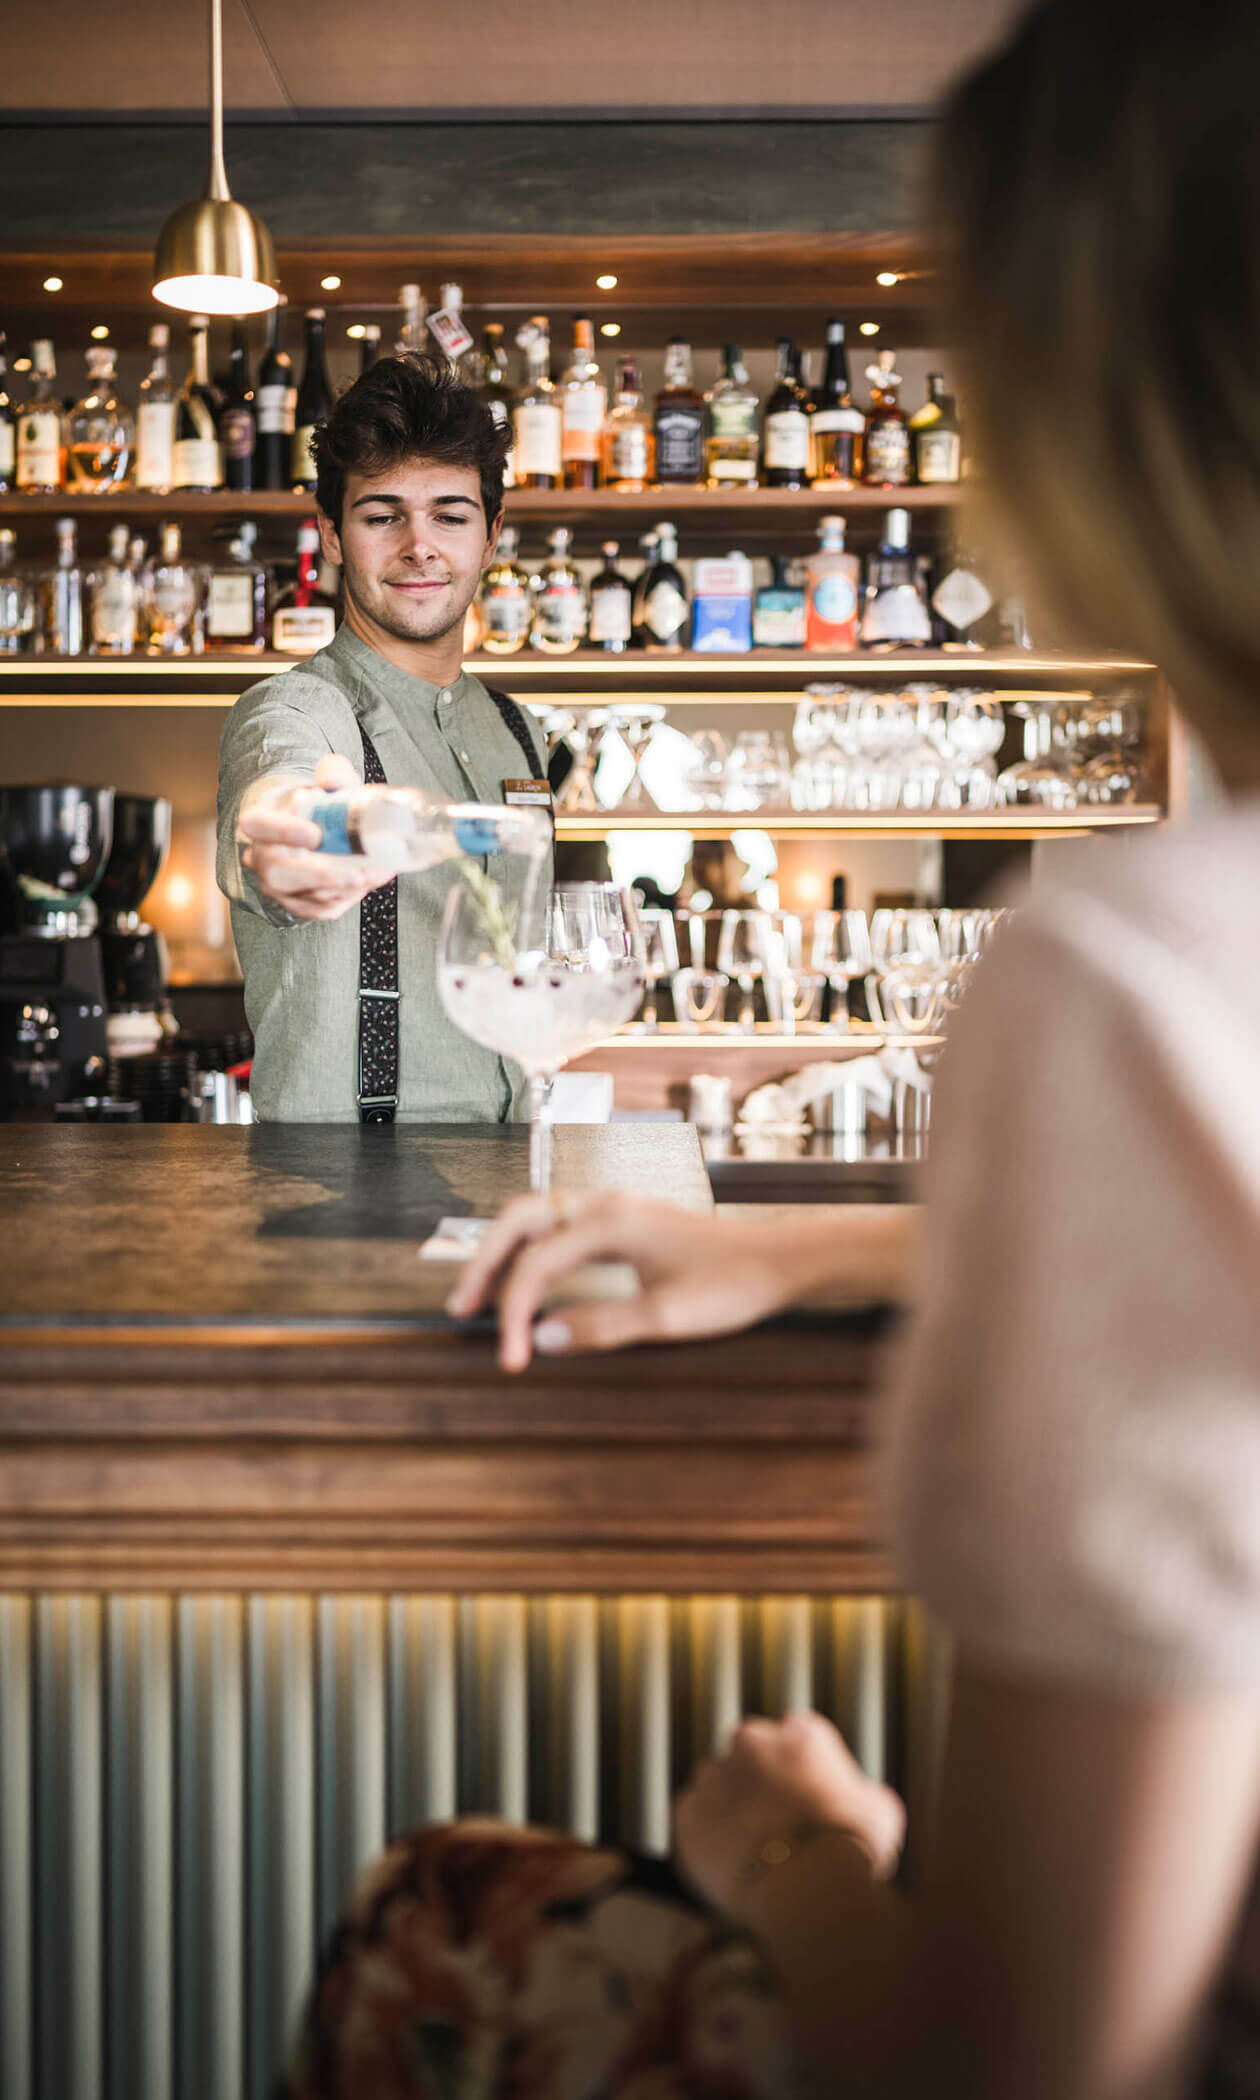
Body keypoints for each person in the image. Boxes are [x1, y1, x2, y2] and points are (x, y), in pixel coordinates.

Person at [282, 3, 1260, 2094]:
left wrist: (796, 1856)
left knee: (426, 1911)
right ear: (343, 534)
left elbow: (1029, 2054)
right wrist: (811, 1255)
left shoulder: (1144, 969)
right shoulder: (334, 707)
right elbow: (292, 822)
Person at [216, 353, 552, 1122]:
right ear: (332, 537)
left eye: (450, 515)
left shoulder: (518, 731)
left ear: (491, 537)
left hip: (514, 1175)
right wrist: (284, 842)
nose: (418, 545)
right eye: (381, 515)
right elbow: (275, 790)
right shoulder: (298, 705)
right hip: (341, 1194)